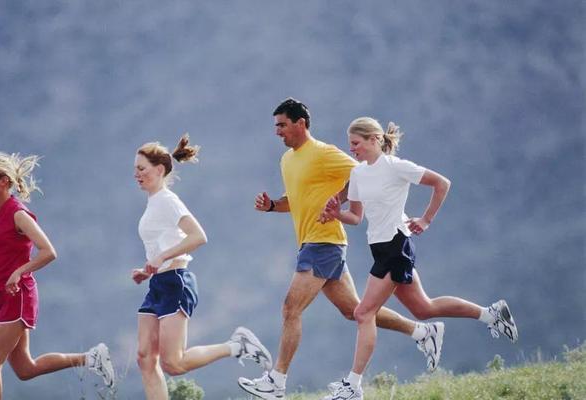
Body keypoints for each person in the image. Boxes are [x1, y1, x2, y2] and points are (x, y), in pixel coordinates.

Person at [238, 99, 443, 400]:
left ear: (300, 123)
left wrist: (341, 204)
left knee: (290, 308)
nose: (277, 132)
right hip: (314, 241)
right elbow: (296, 200)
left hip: (324, 241)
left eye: (281, 125)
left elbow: (365, 174)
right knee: (355, 311)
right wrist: (272, 206)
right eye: (276, 126)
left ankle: (276, 382)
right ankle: (423, 333)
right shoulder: (287, 161)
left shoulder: (324, 153)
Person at [318, 117, 519, 400]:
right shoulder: (359, 175)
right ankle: (492, 314)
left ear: (374, 139)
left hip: (397, 245)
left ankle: (353, 386)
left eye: (356, 143)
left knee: (363, 313)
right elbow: (355, 216)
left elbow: (442, 183)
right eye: (350, 144)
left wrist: (426, 219)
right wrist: (335, 213)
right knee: (424, 309)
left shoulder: (397, 167)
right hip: (380, 247)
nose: (352, 149)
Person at [131, 134, 273, 400]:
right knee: (145, 358)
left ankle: (236, 345)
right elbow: (163, 244)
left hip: (176, 283)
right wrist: (148, 269)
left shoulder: (167, 200)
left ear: (159, 170)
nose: (136, 174)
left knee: (173, 363)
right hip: (158, 283)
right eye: (135, 169)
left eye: (141, 168)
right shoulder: (154, 202)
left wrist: (161, 259)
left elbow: (198, 236)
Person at [0, 152, 115, 400]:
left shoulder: (18, 214)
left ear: (4, 181)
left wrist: (18, 272)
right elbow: (2, 251)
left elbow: (49, 252)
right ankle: (92, 358)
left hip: (19, 295)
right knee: (26, 369)